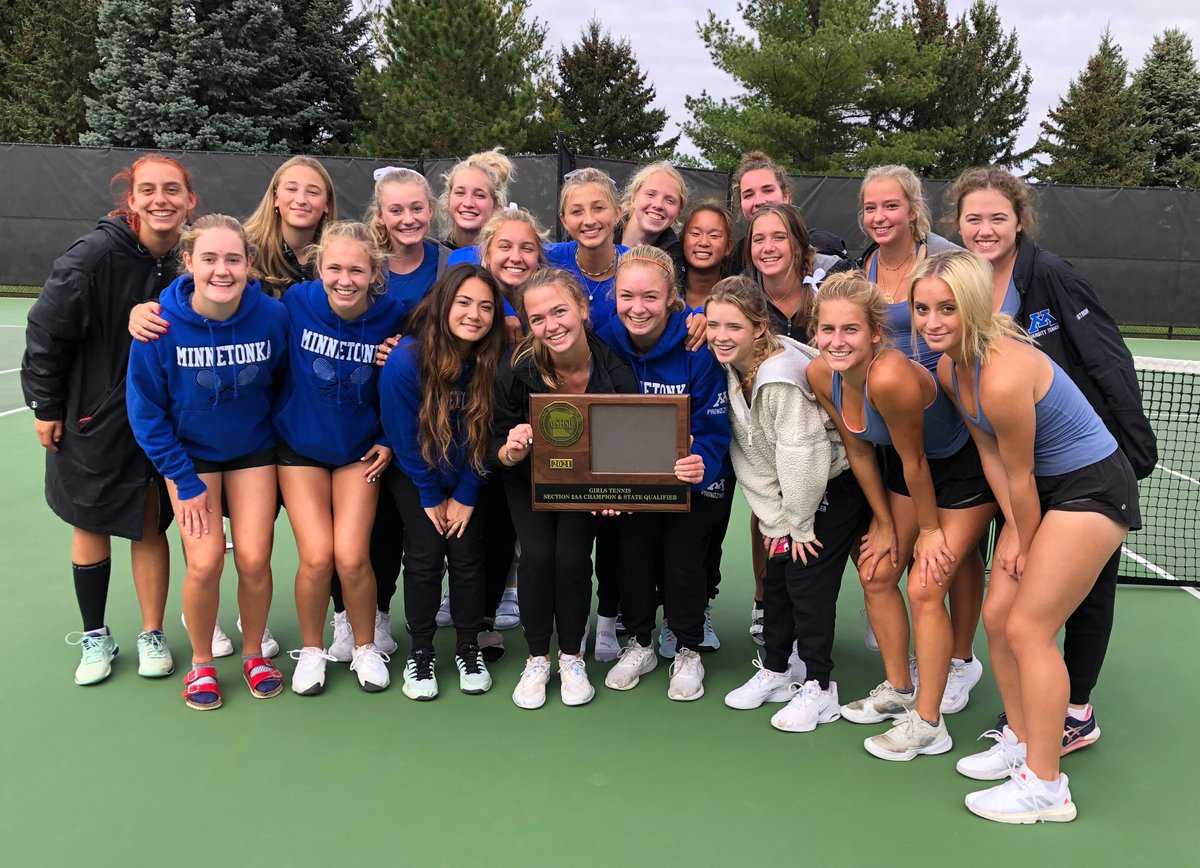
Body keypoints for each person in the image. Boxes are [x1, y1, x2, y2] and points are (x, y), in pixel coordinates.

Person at [911, 249, 1139, 823]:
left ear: (973, 310)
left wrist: (1021, 536)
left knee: (1028, 627)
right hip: (1042, 488)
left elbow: (1019, 473)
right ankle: (1018, 739)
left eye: (947, 310)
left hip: (1091, 487)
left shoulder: (1004, 376)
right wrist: (1013, 524)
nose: (932, 322)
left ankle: (1045, 785)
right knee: (997, 619)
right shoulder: (948, 367)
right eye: (922, 309)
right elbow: (989, 450)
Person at [946, 166, 1157, 754]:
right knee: (1012, 607)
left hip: (1087, 464)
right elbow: (989, 429)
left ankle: (1074, 710)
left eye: (997, 217)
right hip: (1023, 466)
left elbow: (1107, 358)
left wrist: (1132, 446)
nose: (985, 229)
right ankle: (1025, 723)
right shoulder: (960, 287)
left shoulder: (1052, 275)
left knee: (1075, 599)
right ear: (956, 226)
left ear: (1019, 221)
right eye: (973, 219)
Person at [806, 271, 996, 760]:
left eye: (850, 330)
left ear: (874, 333)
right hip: (910, 474)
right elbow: (861, 451)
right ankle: (899, 687)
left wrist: (929, 531)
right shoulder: (819, 374)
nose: (836, 341)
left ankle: (930, 724)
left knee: (925, 586)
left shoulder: (889, 377)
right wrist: (886, 523)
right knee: (875, 570)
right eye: (827, 330)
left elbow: (915, 461)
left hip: (961, 470)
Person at [22, 153, 195, 686]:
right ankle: (95, 636)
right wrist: (46, 405)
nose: (160, 199)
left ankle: (152, 633)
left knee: (148, 521)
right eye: (149, 190)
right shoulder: (94, 256)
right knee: (91, 520)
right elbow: (47, 332)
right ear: (131, 198)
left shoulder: (191, 257)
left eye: (172, 189)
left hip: (161, 420)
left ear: (191, 200)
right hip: (94, 417)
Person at [126, 214, 289, 710]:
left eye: (234, 259)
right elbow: (146, 411)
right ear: (188, 262)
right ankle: (201, 663)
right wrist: (182, 478)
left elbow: (284, 379)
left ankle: (255, 653)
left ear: (249, 265)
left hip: (253, 454)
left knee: (255, 559)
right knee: (203, 563)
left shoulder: (272, 316)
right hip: (190, 460)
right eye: (211, 259)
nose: (223, 270)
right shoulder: (159, 326)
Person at [707, 276, 868, 732]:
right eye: (714, 324)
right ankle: (778, 672)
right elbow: (749, 454)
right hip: (791, 496)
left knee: (807, 578)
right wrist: (775, 522)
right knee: (775, 577)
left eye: (733, 326)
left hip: (833, 485)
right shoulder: (733, 367)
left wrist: (798, 525)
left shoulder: (778, 377)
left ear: (758, 328)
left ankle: (820, 687)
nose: (721, 335)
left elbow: (805, 455)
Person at [857, 164, 986, 710]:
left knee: (948, 566)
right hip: (900, 443)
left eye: (891, 205)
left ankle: (960, 662)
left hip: (958, 436)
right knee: (880, 569)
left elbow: (985, 320)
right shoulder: (858, 267)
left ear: (913, 208)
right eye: (869, 208)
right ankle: (900, 682)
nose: (880, 217)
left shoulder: (947, 261)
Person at [492, 268, 638, 707]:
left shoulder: (615, 372)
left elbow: (626, 449)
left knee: (572, 558)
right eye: (538, 319)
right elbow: (493, 444)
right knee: (536, 556)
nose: (551, 325)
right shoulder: (516, 368)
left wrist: (616, 495)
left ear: (582, 307)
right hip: (529, 481)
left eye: (560, 311)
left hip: (584, 483)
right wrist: (512, 450)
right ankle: (538, 656)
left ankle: (571, 655)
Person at [596, 246, 733, 701]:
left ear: (672, 296)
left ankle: (688, 648)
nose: (639, 308)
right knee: (630, 555)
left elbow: (714, 425)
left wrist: (702, 462)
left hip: (686, 481)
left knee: (683, 560)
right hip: (632, 480)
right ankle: (639, 642)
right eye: (628, 296)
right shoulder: (602, 337)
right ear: (614, 296)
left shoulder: (699, 345)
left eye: (651, 297)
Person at [274, 222, 401, 695]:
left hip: (357, 451)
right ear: (318, 267)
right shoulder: (294, 303)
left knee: (351, 557)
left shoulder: (393, 316)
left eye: (356, 270)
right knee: (317, 557)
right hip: (299, 449)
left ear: (375, 273)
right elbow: (230, 302)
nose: (344, 279)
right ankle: (311, 651)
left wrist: (388, 437)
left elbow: (407, 380)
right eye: (334, 268)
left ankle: (365, 648)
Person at [378, 263, 507, 700]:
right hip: (420, 476)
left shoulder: (494, 360)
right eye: (464, 302)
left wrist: (467, 495)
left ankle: (468, 646)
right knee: (425, 554)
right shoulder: (405, 360)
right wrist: (431, 495)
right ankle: (421, 651)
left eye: (486, 307)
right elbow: (404, 438)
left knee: (469, 553)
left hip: (471, 473)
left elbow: (491, 434)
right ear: (443, 304)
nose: (474, 314)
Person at [742, 201, 852, 642]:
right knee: (767, 515)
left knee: (841, 539)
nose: (768, 248)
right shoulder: (748, 303)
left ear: (800, 246)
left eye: (778, 237)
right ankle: (765, 602)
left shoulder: (827, 298)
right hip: (777, 443)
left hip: (839, 439)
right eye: (758, 239)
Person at [617, 161, 688, 280]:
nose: (658, 205)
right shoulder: (604, 233)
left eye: (670, 200)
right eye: (650, 194)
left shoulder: (675, 256)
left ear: (679, 211)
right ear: (633, 198)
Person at [438, 148, 515, 250]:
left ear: (496, 205)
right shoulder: (434, 256)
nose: (468, 203)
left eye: (479, 195)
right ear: (447, 200)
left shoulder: (509, 258)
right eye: (460, 193)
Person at [680, 201, 735, 313]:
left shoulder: (738, 297)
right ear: (682, 240)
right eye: (695, 234)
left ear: (728, 247)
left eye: (714, 236)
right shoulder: (665, 292)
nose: (704, 242)